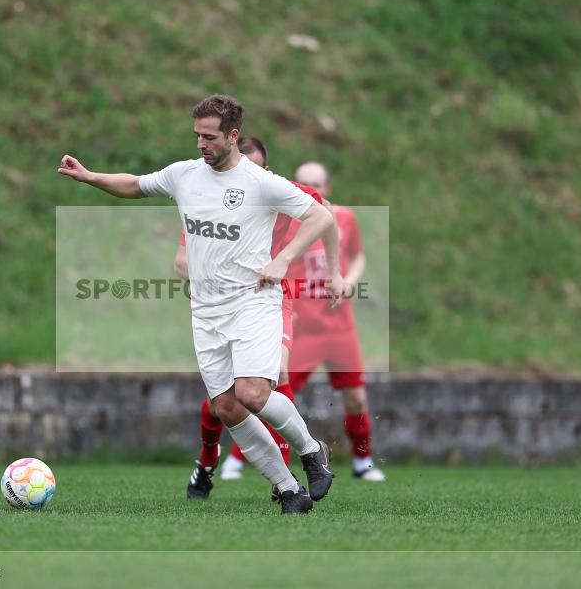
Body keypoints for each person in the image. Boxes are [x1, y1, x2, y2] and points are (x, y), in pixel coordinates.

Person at [58, 95, 342, 514]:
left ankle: (312, 450)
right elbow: (135, 185)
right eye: (197, 136)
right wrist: (89, 177)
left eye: (209, 137)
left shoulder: (260, 182)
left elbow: (321, 216)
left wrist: (283, 259)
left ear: (233, 135)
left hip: (253, 303)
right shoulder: (184, 175)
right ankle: (288, 490)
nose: (200, 144)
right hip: (207, 310)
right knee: (225, 407)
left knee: (253, 393)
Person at [174, 136, 342, 500]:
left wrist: (335, 272)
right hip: (217, 307)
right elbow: (181, 261)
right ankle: (208, 462)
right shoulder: (208, 204)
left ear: (265, 170)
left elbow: (325, 214)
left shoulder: (276, 190)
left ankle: (294, 472)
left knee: (273, 379)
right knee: (223, 402)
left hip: (268, 298)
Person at [287, 161, 386, 482]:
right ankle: (241, 461)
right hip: (303, 325)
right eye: (303, 183)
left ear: (327, 187)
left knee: (356, 397)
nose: (310, 189)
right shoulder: (285, 219)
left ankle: (363, 462)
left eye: (316, 184)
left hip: (340, 325)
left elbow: (358, 257)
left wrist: (349, 282)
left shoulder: (344, 217)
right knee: (278, 395)